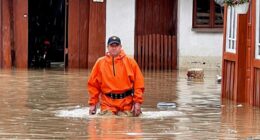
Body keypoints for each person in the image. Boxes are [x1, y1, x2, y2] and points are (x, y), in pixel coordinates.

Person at [87, 36, 144, 117]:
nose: (114, 48)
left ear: (120, 47)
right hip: (107, 104)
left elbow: (139, 84)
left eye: (116, 46)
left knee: (127, 123)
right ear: (107, 47)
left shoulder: (131, 62)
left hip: (127, 104)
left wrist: (137, 102)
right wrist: (93, 104)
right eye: (111, 46)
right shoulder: (100, 63)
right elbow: (93, 86)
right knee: (108, 124)